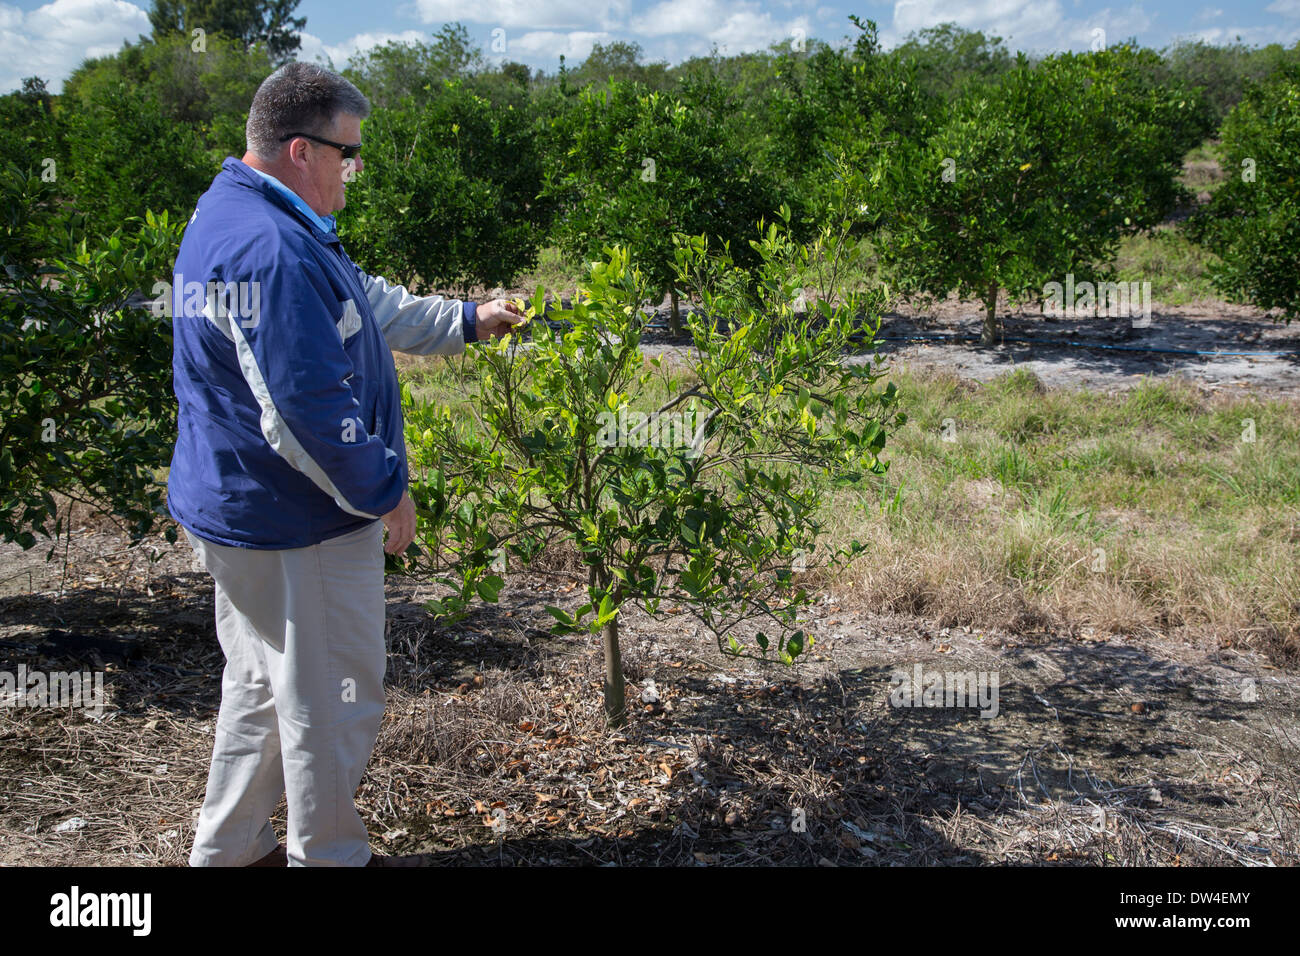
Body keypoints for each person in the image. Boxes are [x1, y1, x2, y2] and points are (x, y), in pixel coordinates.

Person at [167, 61, 524, 867]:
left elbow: (358, 303)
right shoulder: (272, 248)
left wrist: (466, 319)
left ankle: (231, 851)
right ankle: (327, 855)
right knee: (332, 704)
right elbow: (303, 415)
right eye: (347, 156)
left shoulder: (244, 212)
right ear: (302, 149)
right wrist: (383, 491)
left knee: (264, 688)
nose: (352, 172)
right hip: (301, 522)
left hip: (239, 509)